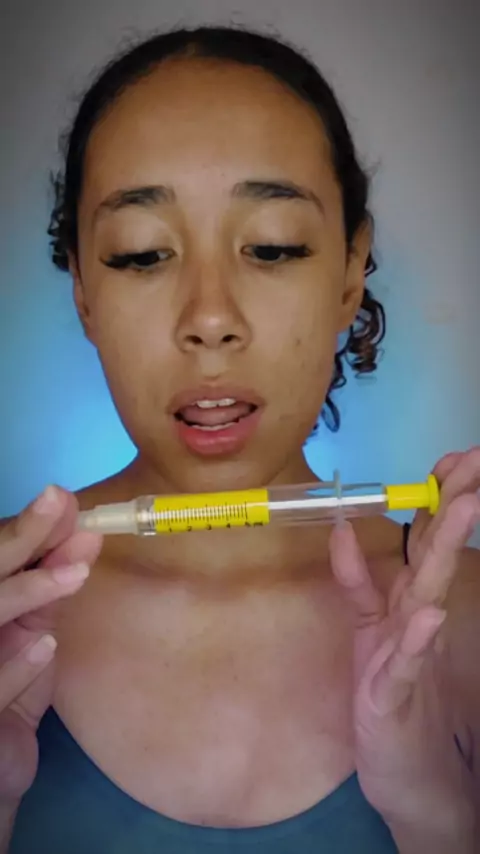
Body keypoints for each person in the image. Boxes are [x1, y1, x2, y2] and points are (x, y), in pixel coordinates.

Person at [0, 25, 479, 854]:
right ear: (81, 288)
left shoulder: (458, 620)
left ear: (350, 270)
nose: (211, 318)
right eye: (141, 256)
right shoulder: (8, 608)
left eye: (273, 246)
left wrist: (437, 815)